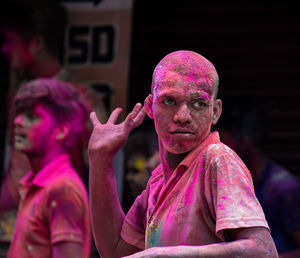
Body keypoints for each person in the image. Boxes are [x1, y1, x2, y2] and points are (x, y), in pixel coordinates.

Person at [88, 50, 278, 257]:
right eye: (169, 101)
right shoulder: (158, 182)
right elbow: (115, 251)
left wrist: (165, 255)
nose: (182, 116)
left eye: (198, 103)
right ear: (150, 107)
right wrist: (100, 159)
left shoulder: (216, 159)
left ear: (215, 112)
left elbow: (263, 251)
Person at [0, 0, 106, 251]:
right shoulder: (19, 95)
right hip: (19, 225)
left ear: (35, 44)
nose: (5, 49)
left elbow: (100, 172)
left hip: (54, 227)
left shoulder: (80, 100)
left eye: (11, 41)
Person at [7, 78, 91, 258]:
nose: (18, 121)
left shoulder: (62, 189)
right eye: (20, 114)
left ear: (61, 131)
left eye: (32, 117)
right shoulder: (36, 183)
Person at [216, 96, 300, 257]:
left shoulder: (284, 188)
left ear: (242, 142)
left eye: (223, 139)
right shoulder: (231, 184)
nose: (218, 147)